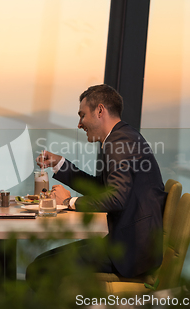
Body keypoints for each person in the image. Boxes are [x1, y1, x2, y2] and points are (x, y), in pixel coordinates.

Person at [26, 84, 166, 290]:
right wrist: (59, 163)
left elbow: (117, 199)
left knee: (40, 267)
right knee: (42, 262)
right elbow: (102, 189)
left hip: (130, 252)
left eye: (82, 115)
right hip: (130, 243)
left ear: (100, 110)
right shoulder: (123, 137)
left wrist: (67, 201)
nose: (79, 124)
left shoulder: (120, 142)